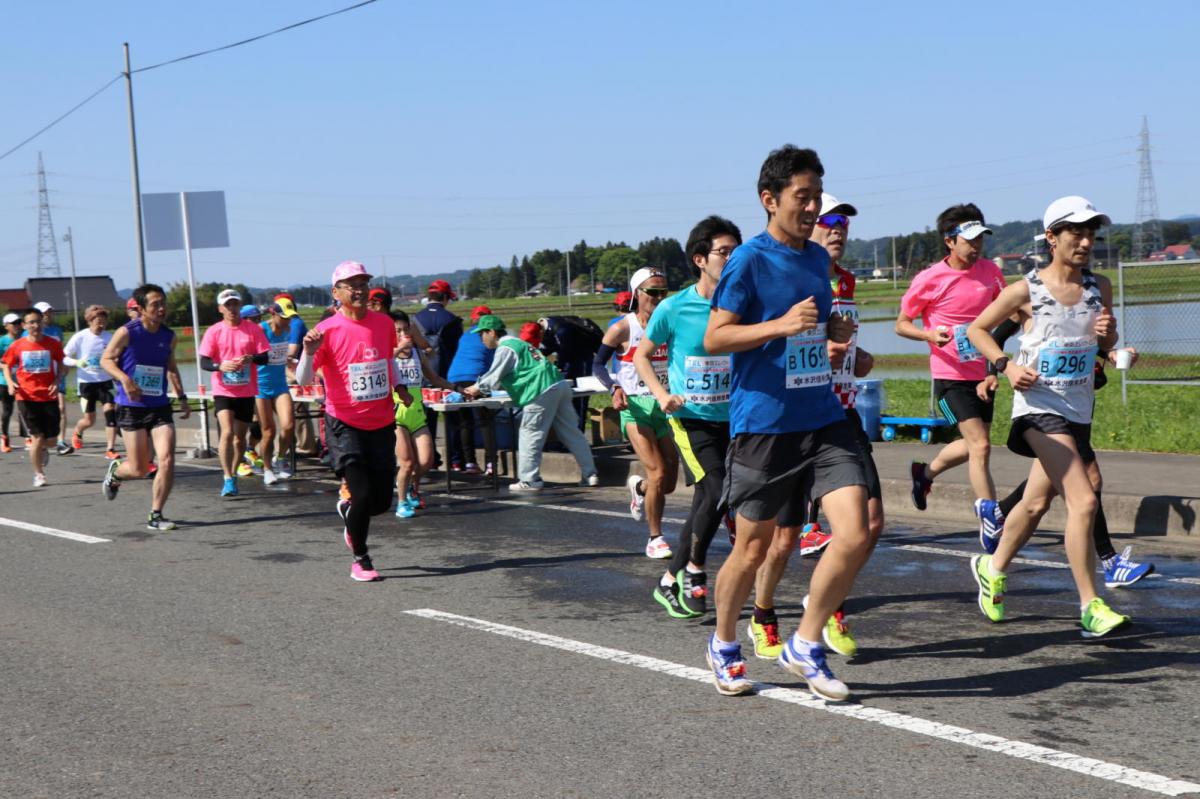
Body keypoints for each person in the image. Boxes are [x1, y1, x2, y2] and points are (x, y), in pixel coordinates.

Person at [702, 144, 864, 701]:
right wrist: (780, 325)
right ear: (769, 200)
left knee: (858, 530)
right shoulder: (749, 260)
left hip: (822, 415)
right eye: (803, 196)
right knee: (753, 549)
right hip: (765, 423)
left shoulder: (818, 260)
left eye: (817, 195)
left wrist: (834, 337)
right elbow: (716, 337)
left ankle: (806, 642)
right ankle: (724, 644)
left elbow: (812, 333)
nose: (813, 206)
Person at [966, 195, 1129, 638]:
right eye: (1076, 232)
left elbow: (1103, 343)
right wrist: (1005, 366)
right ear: (1052, 238)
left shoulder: (1099, 286)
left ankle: (992, 567)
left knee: (1036, 503)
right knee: (1084, 498)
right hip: (1037, 410)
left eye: (1090, 233)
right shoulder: (1027, 290)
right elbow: (976, 329)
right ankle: (1091, 605)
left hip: (1078, 409)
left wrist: (1110, 340)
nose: (1086, 241)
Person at [988, 322, 1154, 588]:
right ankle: (1110, 564)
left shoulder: (1087, 300)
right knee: (1089, 481)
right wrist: (1000, 369)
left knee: (1038, 499)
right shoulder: (1029, 299)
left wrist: (1110, 353)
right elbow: (990, 333)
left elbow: (1078, 341)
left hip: (1077, 405)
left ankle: (997, 524)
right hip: (1044, 407)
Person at [640, 215, 742, 618]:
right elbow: (643, 356)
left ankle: (669, 580)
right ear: (700, 259)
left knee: (708, 500)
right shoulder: (674, 307)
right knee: (716, 490)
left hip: (733, 416)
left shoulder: (741, 303)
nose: (732, 259)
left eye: (737, 252)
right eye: (724, 252)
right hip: (690, 417)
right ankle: (696, 570)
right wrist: (662, 394)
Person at [896, 204, 1007, 549]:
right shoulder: (929, 279)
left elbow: (1007, 315)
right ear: (950, 241)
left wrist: (997, 363)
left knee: (976, 445)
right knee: (981, 445)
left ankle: (925, 474)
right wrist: (928, 335)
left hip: (983, 374)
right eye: (970, 240)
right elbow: (901, 324)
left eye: (981, 239)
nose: (976, 247)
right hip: (949, 376)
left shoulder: (991, 272)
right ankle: (990, 516)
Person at [297, 261, 411, 582]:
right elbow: (303, 379)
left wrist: (400, 386)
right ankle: (361, 559)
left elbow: (387, 361)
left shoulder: (383, 323)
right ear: (336, 292)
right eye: (352, 285)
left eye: (363, 284)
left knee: (380, 502)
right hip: (344, 423)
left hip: (381, 420)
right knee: (361, 494)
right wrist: (308, 352)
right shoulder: (328, 330)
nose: (359, 290)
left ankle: (349, 513)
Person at [594, 267, 678, 559]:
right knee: (658, 472)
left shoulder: (670, 324)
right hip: (635, 408)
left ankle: (639, 488)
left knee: (668, 483)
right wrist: (613, 387)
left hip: (665, 406)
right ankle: (655, 538)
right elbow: (598, 365)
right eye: (652, 291)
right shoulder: (623, 328)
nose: (659, 297)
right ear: (637, 293)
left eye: (663, 292)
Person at [463, 314, 599, 491]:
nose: (481, 339)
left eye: (482, 334)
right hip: (559, 385)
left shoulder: (505, 348)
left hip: (540, 390)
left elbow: (493, 377)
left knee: (530, 434)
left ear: (492, 332)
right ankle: (590, 474)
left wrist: (474, 389)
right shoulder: (520, 343)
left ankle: (529, 480)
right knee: (572, 433)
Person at [100, 284, 191, 530]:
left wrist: (182, 397)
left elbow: (171, 367)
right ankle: (116, 472)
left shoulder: (169, 336)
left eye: (163, 303)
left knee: (167, 459)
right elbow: (105, 360)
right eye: (155, 304)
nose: (161, 309)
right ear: (140, 309)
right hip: (131, 406)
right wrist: (125, 379)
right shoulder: (127, 332)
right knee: (139, 468)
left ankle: (156, 514)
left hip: (159, 405)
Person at [199, 289, 271, 497]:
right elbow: (204, 361)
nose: (232, 308)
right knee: (227, 432)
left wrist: (251, 359)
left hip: (246, 390)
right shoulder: (214, 331)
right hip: (223, 389)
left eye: (235, 304)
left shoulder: (253, 329)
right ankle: (227, 477)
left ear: (240, 306)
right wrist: (220, 366)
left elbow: (265, 357)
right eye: (227, 305)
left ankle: (234, 472)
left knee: (239, 439)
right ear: (220, 309)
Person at [391, 310, 457, 517]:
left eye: (406, 330)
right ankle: (402, 502)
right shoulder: (387, 355)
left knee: (426, 460)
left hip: (417, 414)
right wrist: (397, 349)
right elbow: (380, 365)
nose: (403, 334)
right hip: (396, 416)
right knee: (407, 462)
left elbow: (435, 378)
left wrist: (458, 389)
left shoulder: (418, 354)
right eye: (398, 331)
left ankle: (412, 488)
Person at [2, 308, 65, 486]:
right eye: (31, 322)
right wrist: (10, 382)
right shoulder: (18, 345)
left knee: (51, 440)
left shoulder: (52, 343)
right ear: (24, 325)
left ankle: (44, 448)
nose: (35, 325)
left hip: (48, 395)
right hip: (26, 396)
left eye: (38, 321)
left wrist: (57, 381)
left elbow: (61, 363)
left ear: (43, 322)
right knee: (36, 437)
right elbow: (6, 364)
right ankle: (39, 474)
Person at [414, 279, 464, 469]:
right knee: (453, 419)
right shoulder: (453, 320)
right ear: (445, 297)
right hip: (448, 376)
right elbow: (458, 349)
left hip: (423, 375)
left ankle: (429, 459)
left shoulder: (415, 320)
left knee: (425, 420)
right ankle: (456, 460)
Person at [445, 305, 497, 476]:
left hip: (454, 378)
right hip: (475, 378)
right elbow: (493, 364)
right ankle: (491, 463)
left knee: (465, 422)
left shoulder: (465, 335)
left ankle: (470, 463)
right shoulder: (488, 336)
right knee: (485, 420)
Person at [63, 305, 119, 458]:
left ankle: (110, 449)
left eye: (104, 322)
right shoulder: (80, 337)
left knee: (110, 413)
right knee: (89, 420)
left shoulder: (109, 337)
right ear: (89, 321)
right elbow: (63, 357)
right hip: (86, 383)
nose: (101, 325)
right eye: (98, 322)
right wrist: (76, 362)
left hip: (105, 381)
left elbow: (117, 356)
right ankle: (78, 431)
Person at [252, 302, 297, 484]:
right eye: (284, 317)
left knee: (288, 425)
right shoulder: (260, 329)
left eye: (290, 318)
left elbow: (281, 359)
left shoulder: (287, 331)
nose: (288, 321)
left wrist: (293, 372)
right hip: (260, 387)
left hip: (280, 385)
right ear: (273, 314)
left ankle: (280, 458)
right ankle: (267, 469)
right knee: (268, 431)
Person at [540, 314, 604, 432]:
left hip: (582, 360)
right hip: (568, 360)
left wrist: (558, 367)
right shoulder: (546, 329)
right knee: (565, 399)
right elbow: (548, 349)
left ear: (541, 331)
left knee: (580, 397)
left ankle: (579, 432)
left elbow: (563, 353)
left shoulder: (561, 330)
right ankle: (568, 434)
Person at [27, 301, 72, 455]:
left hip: (57, 374)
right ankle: (41, 441)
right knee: (41, 413)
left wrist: (64, 365)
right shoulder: (29, 333)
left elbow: (61, 352)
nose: (48, 315)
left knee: (61, 408)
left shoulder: (57, 330)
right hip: (38, 379)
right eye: (45, 313)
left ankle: (61, 441)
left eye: (49, 312)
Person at [0, 312, 29, 452]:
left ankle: (28, 437)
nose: (17, 325)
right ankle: (4, 437)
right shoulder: (2, 341)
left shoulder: (25, 340)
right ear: (6, 326)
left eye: (19, 323)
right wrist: (6, 366)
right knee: (7, 410)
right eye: (14, 323)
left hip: (24, 380)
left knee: (25, 409)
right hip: (5, 381)